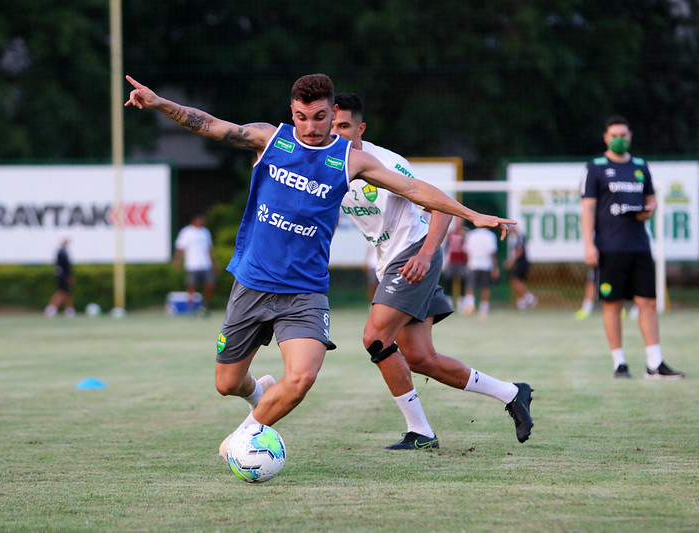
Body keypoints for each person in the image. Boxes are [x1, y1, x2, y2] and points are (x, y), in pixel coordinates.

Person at [125, 73, 516, 458]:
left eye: (319, 116)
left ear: (333, 114)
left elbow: (415, 190)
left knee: (301, 378)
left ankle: (243, 440)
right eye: (301, 116)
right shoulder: (269, 139)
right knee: (227, 384)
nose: (310, 127)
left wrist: (473, 215)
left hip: (305, 291)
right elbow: (210, 125)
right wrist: (160, 104)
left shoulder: (351, 160)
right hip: (252, 283)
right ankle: (260, 394)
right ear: (291, 114)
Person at [332, 92, 533, 448]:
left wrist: (426, 255)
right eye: (330, 125)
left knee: (375, 339)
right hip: (390, 261)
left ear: (360, 128)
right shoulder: (328, 165)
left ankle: (421, 431)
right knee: (422, 358)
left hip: (412, 255)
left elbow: (438, 207)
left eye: (344, 125)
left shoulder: (384, 163)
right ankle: (511, 393)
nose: (336, 132)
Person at [580, 115, 684, 379]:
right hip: (609, 247)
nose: (619, 139)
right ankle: (619, 363)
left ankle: (654, 363)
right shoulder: (595, 167)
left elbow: (651, 198)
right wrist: (589, 244)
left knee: (647, 302)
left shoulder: (640, 165)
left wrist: (648, 210)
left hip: (639, 245)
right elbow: (588, 208)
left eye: (623, 135)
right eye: (614, 135)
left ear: (630, 136)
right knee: (613, 304)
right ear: (606, 137)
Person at [173, 213, 219, 313]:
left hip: (206, 264)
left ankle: (205, 305)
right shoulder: (186, 232)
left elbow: (210, 249)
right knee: (191, 286)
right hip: (192, 264)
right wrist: (177, 261)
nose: (202, 222)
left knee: (210, 284)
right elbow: (180, 248)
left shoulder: (205, 232)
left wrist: (215, 264)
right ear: (194, 220)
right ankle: (191, 307)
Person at [462, 226, 499, 319]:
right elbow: (492, 253)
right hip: (486, 265)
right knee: (485, 287)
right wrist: (495, 268)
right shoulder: (491, 235)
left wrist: (468, 263)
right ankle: (483, 310)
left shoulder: (471, 234)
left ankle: (469, 305)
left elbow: (467, 251)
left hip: (473, 264)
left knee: (470, 286)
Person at [440, 217, 469, 312]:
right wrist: (445, 260)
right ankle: (449, 302)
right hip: (451, 260)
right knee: (448, 280)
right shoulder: (450, 233)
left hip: (462, 261)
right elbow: (447, 246)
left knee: (463, 281)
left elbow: (468, 246)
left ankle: (462, 304)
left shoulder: (466, 232)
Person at [505, 227, 536, 310]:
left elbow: (519, 250)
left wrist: (511, 261)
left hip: (520, 263)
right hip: (518, 262)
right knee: (517, 281)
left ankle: (529, 297)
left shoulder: (519, 237)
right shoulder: (513, 237)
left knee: (515, 280)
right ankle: (521, 302)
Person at [44, 238, 75, 318]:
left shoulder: (63, 251)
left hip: (63, 275)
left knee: (68, 293)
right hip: (63, 276)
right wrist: (66, 277)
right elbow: (64, 267)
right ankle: (51, 309)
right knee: (61, 292)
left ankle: (69, 309)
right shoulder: (62, 252)